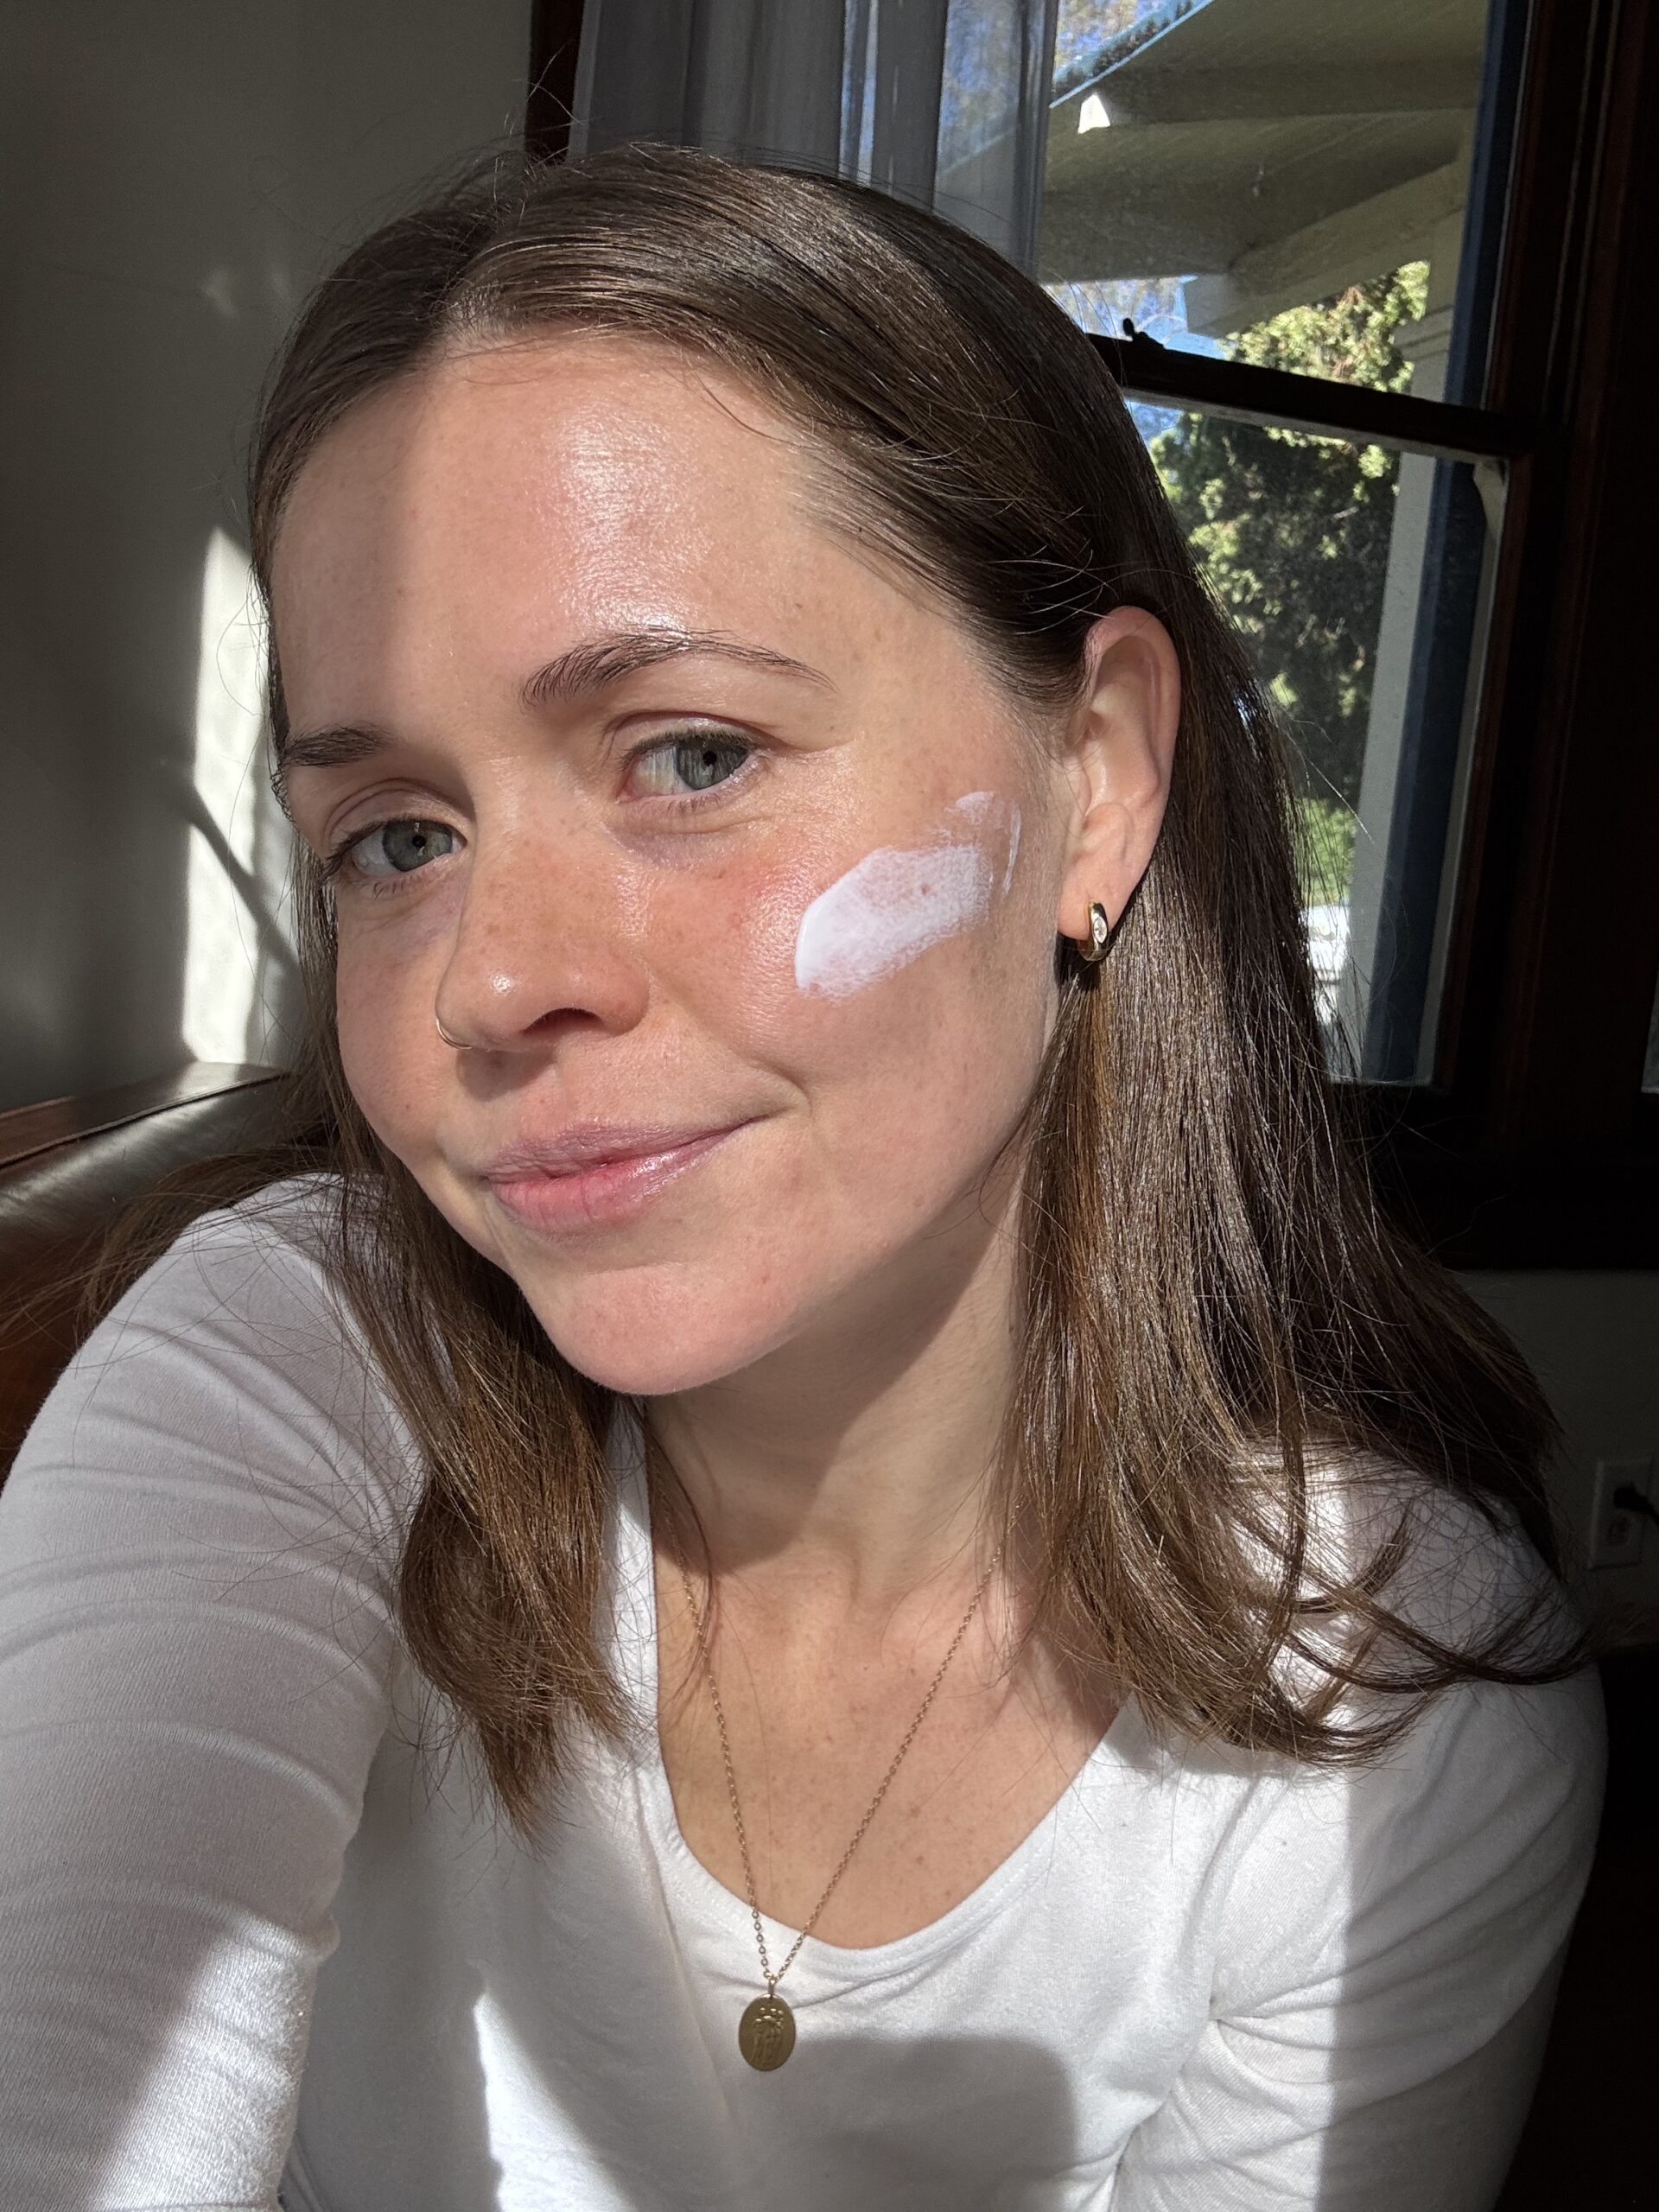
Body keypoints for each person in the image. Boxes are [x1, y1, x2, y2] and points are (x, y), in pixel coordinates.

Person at [0, 142, 1603, 2212]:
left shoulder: (1390, 1714)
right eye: (396, 834)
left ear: (1091, 776)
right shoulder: (295, 1365)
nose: (494, 981)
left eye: (690, 754)